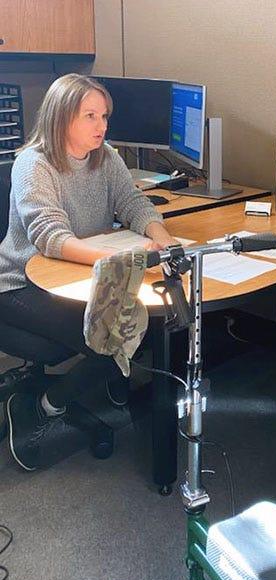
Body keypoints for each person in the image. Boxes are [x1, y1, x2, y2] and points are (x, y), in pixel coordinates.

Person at [0, 73, 178, 471]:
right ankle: (44, 405)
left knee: (136, 323)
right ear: (62, 118)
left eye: (105, 116)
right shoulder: (34, 163)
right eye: (90, 116)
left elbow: (133, 202)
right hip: (16, 285)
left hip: (72, 276)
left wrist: (161, 237)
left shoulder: (106, 155)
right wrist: (112, 257)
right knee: (113, 334)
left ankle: (98, 385)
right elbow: (49, 237)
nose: (102, 126)